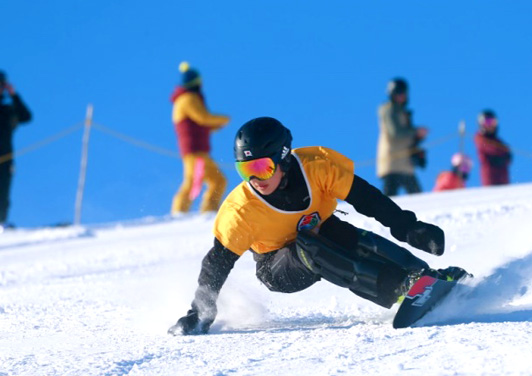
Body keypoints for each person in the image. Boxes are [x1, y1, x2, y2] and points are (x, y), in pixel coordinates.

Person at [168, 117, 469, 335]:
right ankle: (402, 288)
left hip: (319, 235)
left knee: (344, 234)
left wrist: (409, 227)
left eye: (262, 167)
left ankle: (421, 276)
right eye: (245, 170)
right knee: (309, 246)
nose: (255, 179)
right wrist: (200, 312)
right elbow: (216, 263)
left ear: (282, 159)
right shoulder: (242, 211)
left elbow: (367, 199)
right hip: (277, 268)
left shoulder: (317, 168)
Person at [170, 62, 230, 215]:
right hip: (194, 151)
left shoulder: (188, 98)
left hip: (199, 151)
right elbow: (203, 118)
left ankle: (209, 211)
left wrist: (214, 125)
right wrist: (222, 120)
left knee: (218, 180)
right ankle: (179, 212)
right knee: (192, 182)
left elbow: (200, 125)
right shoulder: (188, 99)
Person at [376, 78, 428, 196]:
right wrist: (416, 132)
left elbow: (406, 135)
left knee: (419, 198)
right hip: (392, 163)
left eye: (403, 93)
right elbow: (395, 133)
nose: (401, 96)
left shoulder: (403, 112)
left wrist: (418, 140)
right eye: (398, 93)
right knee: (388, 204)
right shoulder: (388, 110)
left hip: (405, 163)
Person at [0, 71, 32, 230]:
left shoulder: (8, 110)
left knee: (2, 194)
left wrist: (14, 95)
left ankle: (1, 225)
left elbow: (26, 116)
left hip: (5, 160)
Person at [474, 109, 512, 186]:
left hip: (503, 177)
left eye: (492, 122)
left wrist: (506, 155)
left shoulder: (498, 141)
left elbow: (508, 154)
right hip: (490, 177)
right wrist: (502, 153)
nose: (489, 125)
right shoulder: (480, 138)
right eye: (487, 122)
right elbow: (491, 148)